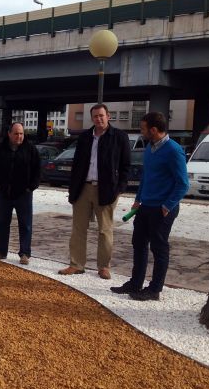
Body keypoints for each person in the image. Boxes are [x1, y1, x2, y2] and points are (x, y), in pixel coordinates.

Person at [110, 111, 189, 301]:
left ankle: (154, 289)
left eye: (143, 129)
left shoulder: (173, 150)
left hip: (162, 209)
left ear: (153, 130)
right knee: (138, 244)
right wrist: (138, 198)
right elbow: (146, 177)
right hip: (145, 206)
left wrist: (167, 205)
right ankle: (135, 283)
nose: (141, 132)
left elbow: (183, 183)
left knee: (159, 248)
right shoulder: (150, 148)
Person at [59, 104, 131, 279]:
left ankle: (104, 266)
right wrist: (72, 189)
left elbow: (125, 166)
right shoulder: (84, 137)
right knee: (78, 229)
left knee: (105, 230)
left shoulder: (119, 137)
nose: (98, 119)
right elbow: (77, 165)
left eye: (101, 115)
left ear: (108, 116)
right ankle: (76, 264)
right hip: (83, 188)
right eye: (95, 116)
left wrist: (119, 189)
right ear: (92, 118)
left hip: (106, 190)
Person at [0, 122, 41, 265]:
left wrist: (31, 187)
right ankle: (1, 251)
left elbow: (38, 171)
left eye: (21, 134)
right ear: (9, 134)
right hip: (4, 193)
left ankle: (24, 253)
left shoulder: (30, 150)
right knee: (1, 223)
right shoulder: (0, 149)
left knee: (25, 224)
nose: (19, 136)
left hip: (23, 194)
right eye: (16, 133)